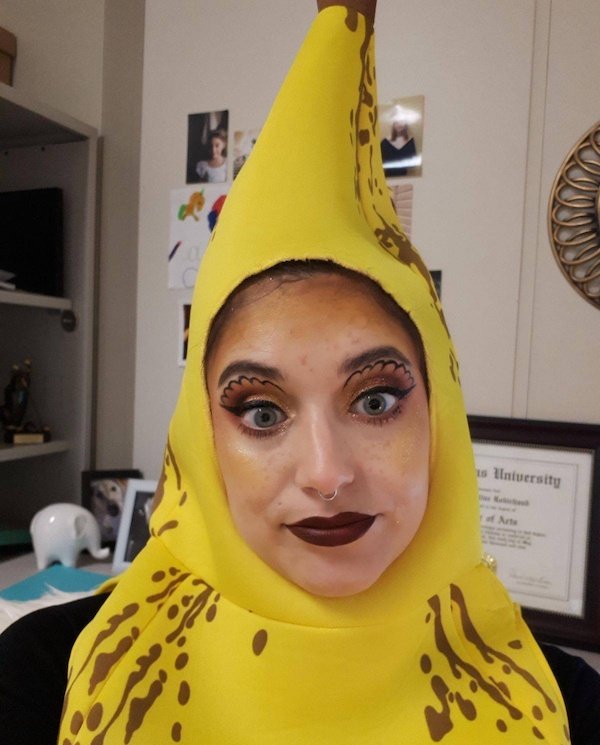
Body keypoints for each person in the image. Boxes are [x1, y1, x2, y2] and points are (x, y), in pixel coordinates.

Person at [1, 1, 599, 743]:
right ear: (201, 439)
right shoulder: (53, 676)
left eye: (375, 400)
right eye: (261, 411)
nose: (326, 474)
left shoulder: (553, 703)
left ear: (439, 412)